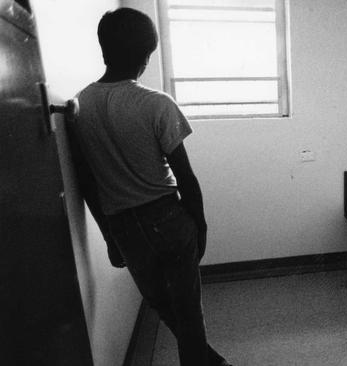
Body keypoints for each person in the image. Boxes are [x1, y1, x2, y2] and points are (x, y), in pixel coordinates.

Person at [67, 8, 232, 366]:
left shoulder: (78, 107)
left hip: (124, 225)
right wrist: (199, 226)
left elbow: (86, 183)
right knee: (188, 311)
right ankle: (204, 361)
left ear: (103, 49)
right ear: (146, 57)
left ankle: (209, 360)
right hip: (167, 217)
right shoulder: (155, 104)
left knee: (160, 304)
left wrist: (109, 234)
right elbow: (185, 176)